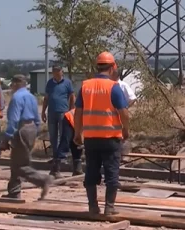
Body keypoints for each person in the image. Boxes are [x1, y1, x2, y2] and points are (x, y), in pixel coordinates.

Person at [73, 51, 129, 215]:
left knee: (91, 171)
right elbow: (124, 112)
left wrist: (78, 133)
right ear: (113, 67)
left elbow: (78, 112)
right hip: (110, 138)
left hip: (90, 139)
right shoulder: (114, 87)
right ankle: (109, 207)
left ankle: (93, 207)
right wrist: (125, 130)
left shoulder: (85, 86)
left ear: (97, 67)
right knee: (112, 172)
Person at [0, 75, 53, 199]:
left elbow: (13, 121)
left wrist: (6, 139)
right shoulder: (31, 97)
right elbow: (37, 119)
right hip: (32, 129)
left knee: (19, 166)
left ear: (16, 84)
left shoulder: (16, 98)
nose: (11, 87)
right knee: (18, 160)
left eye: (12, 84)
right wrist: (35, 131)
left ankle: (43, 179)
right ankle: (14, 192)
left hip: (21, 130)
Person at [41, 64, 76, 175]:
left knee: (63, 135)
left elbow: (72, 96)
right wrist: (43, 111)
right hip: (52, 112)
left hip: (63, 113)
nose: (56, 73)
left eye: (58, 71)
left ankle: (62, 157)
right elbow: (46, 98)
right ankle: (55, 156)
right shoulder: (50, 83)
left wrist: (71, 110)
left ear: (62, 72)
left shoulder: (67, 83)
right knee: (53, 136)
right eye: (54, 71)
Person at [52, 108, 83, 178]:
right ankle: (55, 170)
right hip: (70, 119)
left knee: (77, 144)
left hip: (78, 121)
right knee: (65, 143)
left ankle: (77, 170)